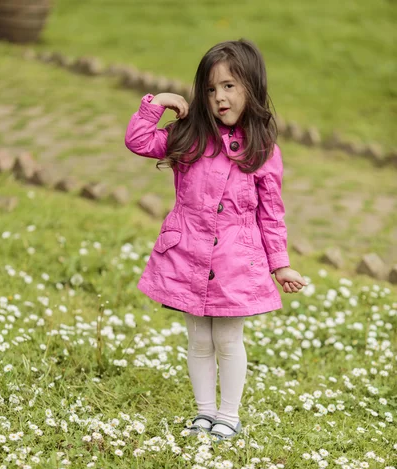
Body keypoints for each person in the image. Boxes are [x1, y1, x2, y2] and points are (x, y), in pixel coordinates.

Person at [125, 39, 307, 442]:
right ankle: (204, 413)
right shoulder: (188, 138)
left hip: (235, 261)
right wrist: (158, 102)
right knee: (199, 339)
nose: (219, 97)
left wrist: (280, 263)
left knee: (227, 339)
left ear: (251, 89)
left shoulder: (262, 150)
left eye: (229, 86)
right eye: (210, 89)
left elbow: (271, 213)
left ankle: (228, 414)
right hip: (188, 253)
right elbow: (138, 141)